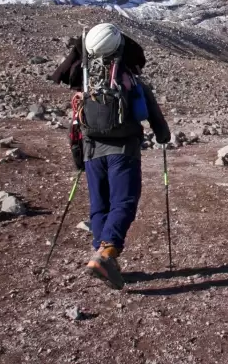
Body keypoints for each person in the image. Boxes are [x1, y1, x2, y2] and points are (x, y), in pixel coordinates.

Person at [51, 22, 170, 289]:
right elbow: (155, 117)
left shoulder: (84, 79)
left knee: (99, 205)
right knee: (124, 202)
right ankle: (107, 253)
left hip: (92, 151)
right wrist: (163, 136)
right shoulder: (130, 80)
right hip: (123, 151)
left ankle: (100, 253)